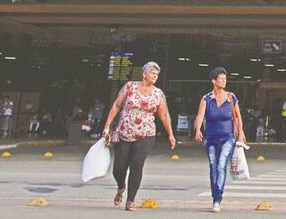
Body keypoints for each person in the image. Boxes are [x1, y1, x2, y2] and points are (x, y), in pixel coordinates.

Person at [102, 61, 177, 212]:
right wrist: (107, 126)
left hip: (146, 134)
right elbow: (116, 105)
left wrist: (170, 134)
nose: (155, 76)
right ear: (144, 74)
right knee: (119, 167)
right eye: (152, 73)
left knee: (136, 165)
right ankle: (121, 186)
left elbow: (163, 115)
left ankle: (130, 200)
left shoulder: (158, 93)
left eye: (157, 74)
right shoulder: (129, 86)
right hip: (124, 132)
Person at [194, 66, 245, 213]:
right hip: (210, 138)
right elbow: (200, 116)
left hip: (227, 138)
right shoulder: (206, 99)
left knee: (221, 165)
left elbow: (237, 117)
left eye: (225, 79)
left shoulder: (231, 97)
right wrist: (198, 129)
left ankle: (218, 199)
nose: (224, 81)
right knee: (213, 166)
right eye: (221, 79)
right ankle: (214, 196)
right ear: (213, 81)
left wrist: (240, 134)